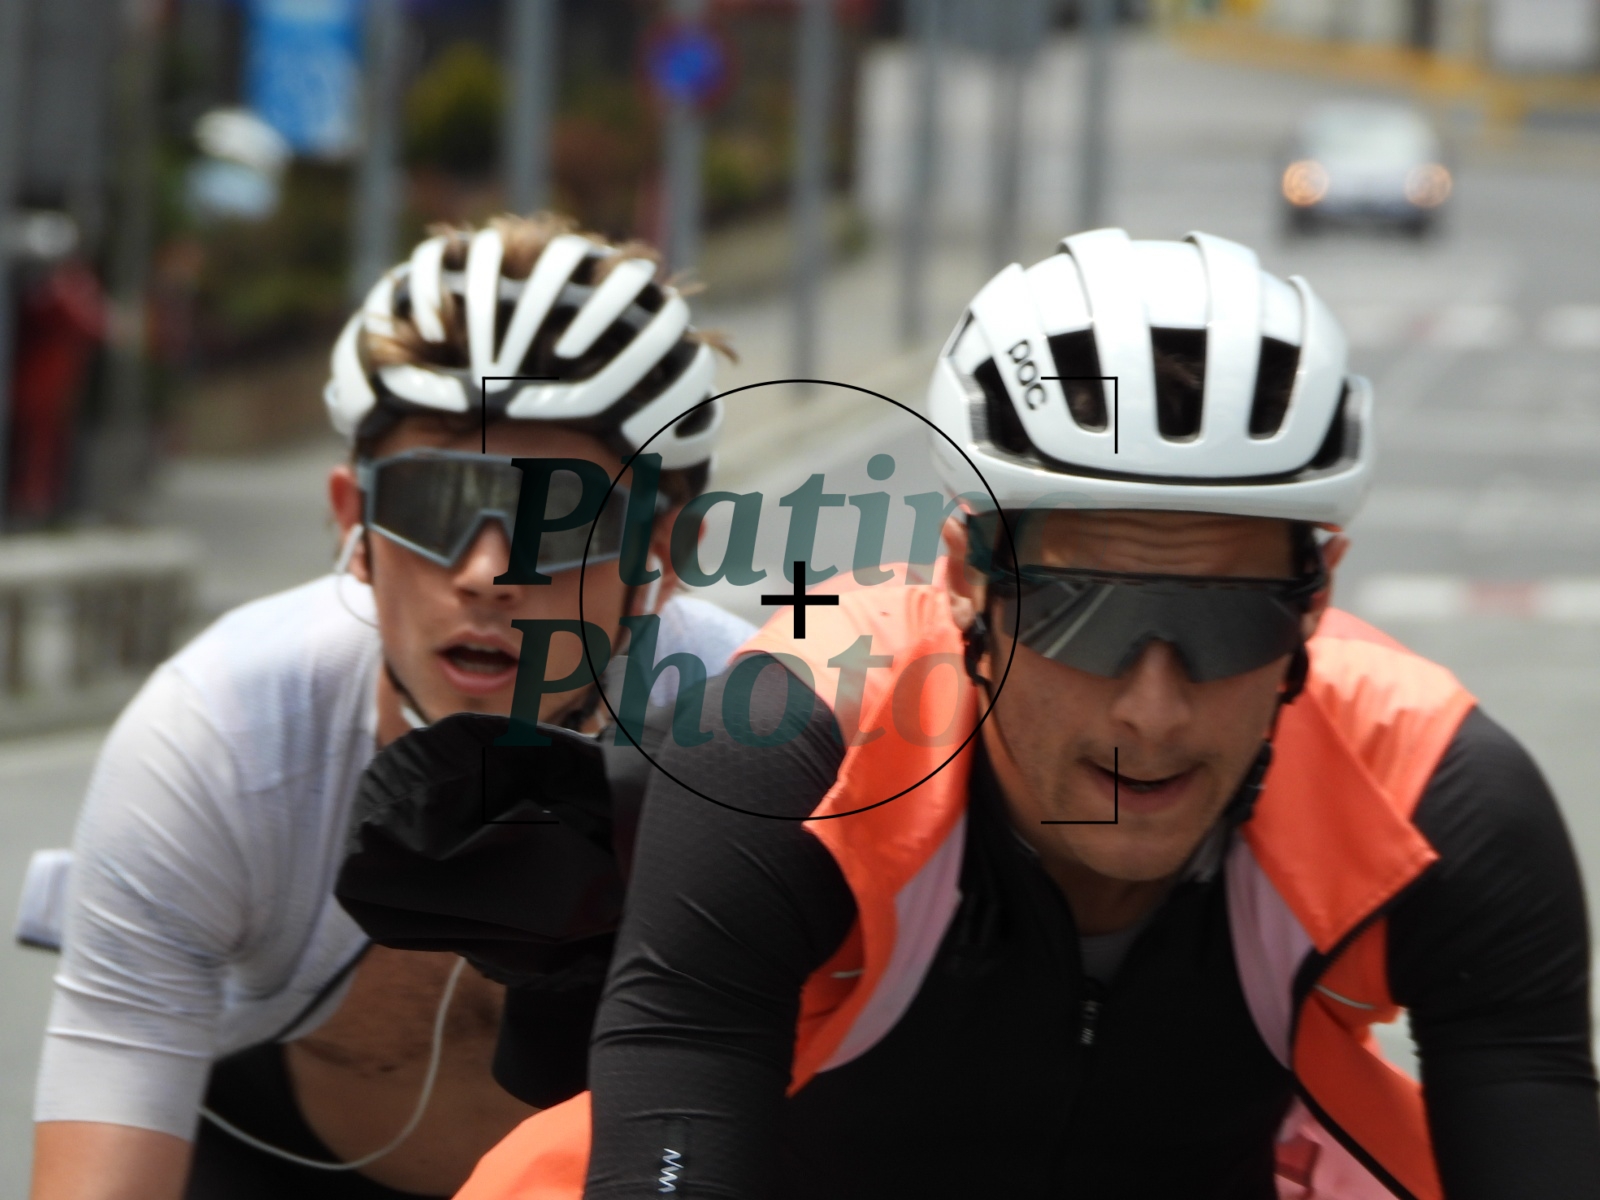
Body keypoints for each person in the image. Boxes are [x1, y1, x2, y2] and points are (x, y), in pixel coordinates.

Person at [455, 229, 1600, 1199]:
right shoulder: (792, 745)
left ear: (1315, 601)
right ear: (966, 581)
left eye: (1228, 622)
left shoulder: (1436, 791)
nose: (1153, 711)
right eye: (1081, 615)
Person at [28, 213, 755, 1200]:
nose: (486, 572)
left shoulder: (755, 743)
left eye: (560, 515)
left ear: (664, 554)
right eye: (433, 505)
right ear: (356, 527)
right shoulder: (221, 736)